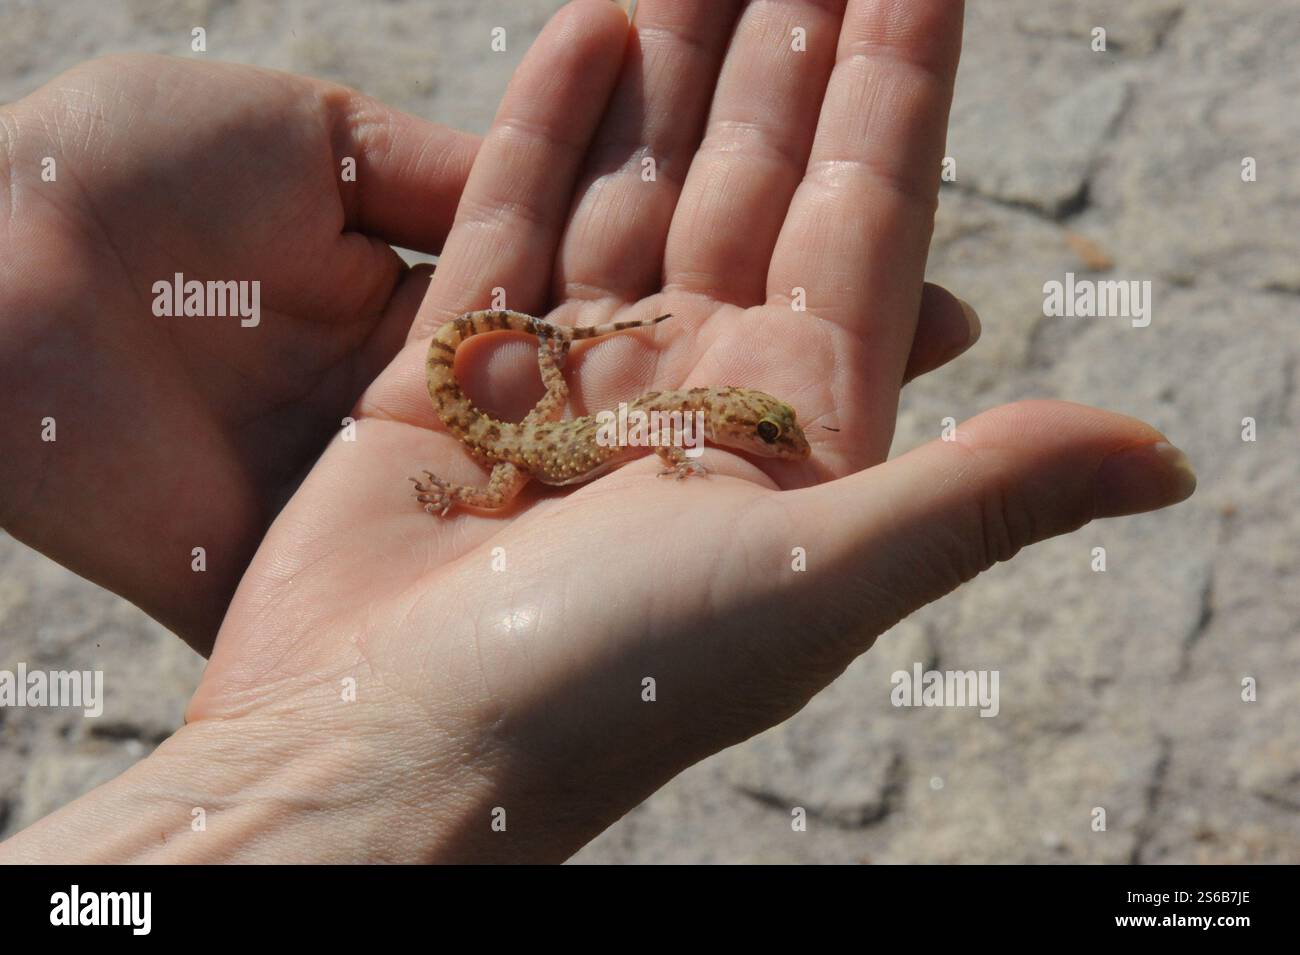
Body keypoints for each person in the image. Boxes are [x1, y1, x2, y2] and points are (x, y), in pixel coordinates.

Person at [0, 0, 1193, 862]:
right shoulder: (597, 445)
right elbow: (629, 437)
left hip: (566, 428)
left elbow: (667, 424)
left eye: (760, 425)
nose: (767, 431)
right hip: (535, 455)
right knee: (517, 463)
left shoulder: (689, 418)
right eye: (765, 426)